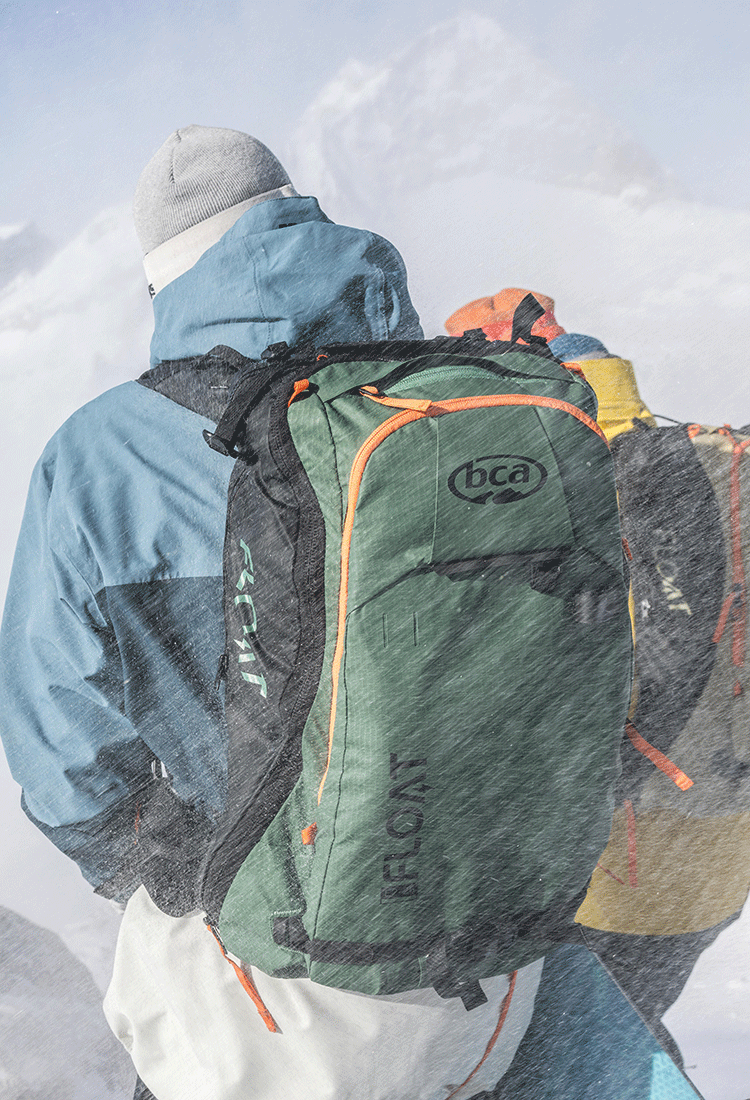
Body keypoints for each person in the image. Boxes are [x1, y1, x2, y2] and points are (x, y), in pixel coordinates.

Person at [0, 145, 697, 1100]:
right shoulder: (470, 399)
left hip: (260, 993)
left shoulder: (99, 454)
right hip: (492, 967)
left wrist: (169, 868)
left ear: (162, 281)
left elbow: (62, 756)